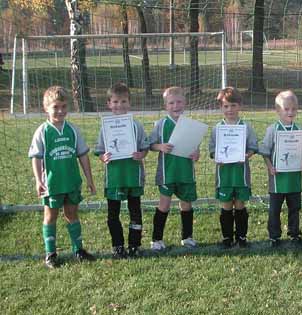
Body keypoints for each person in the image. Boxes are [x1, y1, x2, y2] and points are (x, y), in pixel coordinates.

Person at [28, 86, 96, 268]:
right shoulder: (42, 131)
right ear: (46, 108)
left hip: (72, 182)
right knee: (50, 216)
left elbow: (82, 155)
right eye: (55, 107)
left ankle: (78, 250)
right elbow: (36, 157)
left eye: (64, 106)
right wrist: (39, 180)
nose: (60, 111)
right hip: (52, 184)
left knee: (72, 214)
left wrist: (89, 179)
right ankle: (50, 253)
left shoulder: (72, 130)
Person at [95, 82, 149, 258]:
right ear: (109, 104)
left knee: (135, 212)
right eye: (116, 102)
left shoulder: (137, 126)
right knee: (113, 214)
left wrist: (141, 154)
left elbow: (144, 147)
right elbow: (100, 150)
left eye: (124, 101)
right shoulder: (105, 127)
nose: (120, 105)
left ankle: (134, 245)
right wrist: (103, 157)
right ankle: (117, 245)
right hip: (115, 177)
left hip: (133, 176)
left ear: (129, 103)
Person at [149, 87, 201, 251]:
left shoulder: (190, 125)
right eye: (171, 103)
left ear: (185, 103)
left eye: (179, 102)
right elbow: (150, 145)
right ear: (166, 106)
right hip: (167, 173)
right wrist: (160, 146)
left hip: (185, 173)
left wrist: (196, 153)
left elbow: (196, 149)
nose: (175, 105)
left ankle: (187, 237)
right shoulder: (160, 124)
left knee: (186, 205)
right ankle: (156, 239)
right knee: (164, 205)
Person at [259, 90, 302, 247]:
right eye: (286, 109)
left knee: (295, 207)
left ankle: (294, 233)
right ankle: (274, 236)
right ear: (278, 110)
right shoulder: (272, 130)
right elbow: (265, 152)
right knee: (274, 210)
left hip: (294, 178)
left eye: (293, 109)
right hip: (277, 179)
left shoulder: (300, 130)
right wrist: (270, 167)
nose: (290, 112)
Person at [208, 87, 258, 248]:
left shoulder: (246, 127)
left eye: (233, 105)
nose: (230, 109)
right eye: (226, 106)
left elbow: (253, 147)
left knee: (240, 205)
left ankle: (242, 237)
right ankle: (227, 238)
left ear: (240, 106)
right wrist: (217, 157)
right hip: (225, 175)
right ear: (221, 108)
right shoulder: (217, 128)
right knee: (226, 205)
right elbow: (212, 149)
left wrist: (246, 156)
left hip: (241, 174)